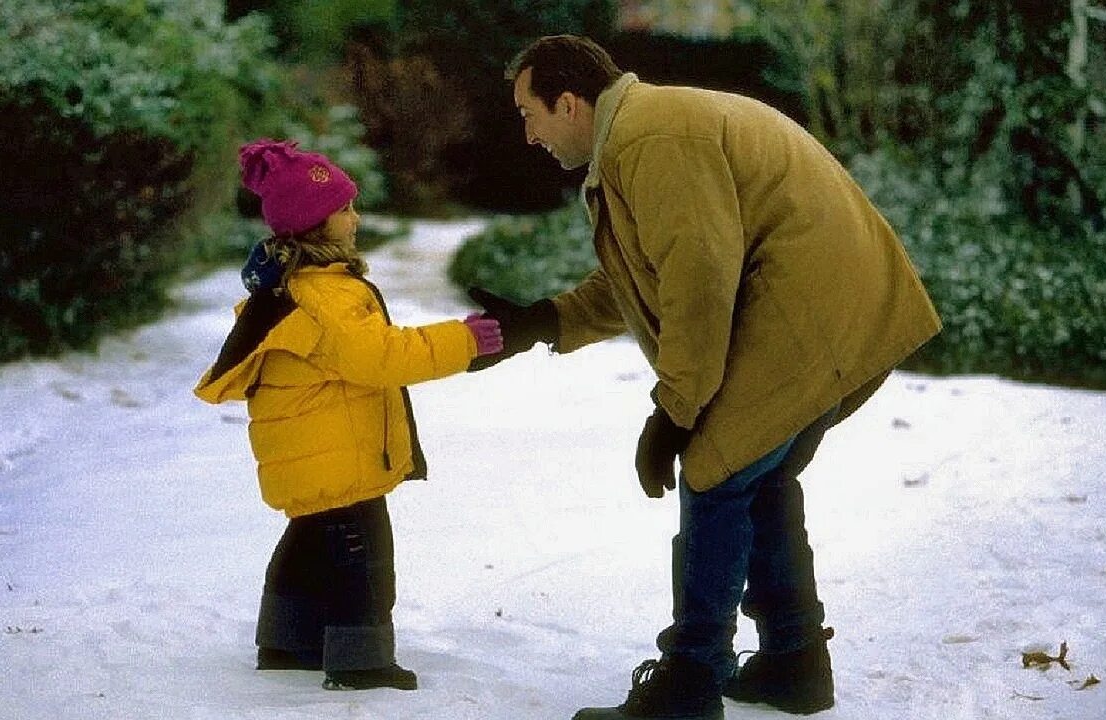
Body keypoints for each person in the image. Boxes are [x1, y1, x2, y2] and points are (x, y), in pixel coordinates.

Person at [468, 35, 942, 720]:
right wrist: (543, 320)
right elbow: (646, 273)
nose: (526, 132)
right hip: (824, 298)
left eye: (527, 113)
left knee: (717, 470)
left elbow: (698, 279)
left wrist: (676, 413)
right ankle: (793, 660)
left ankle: (689, 681)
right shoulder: (639, 135)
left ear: (568, 103)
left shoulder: (651, 139)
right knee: (755, 472)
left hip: (806, 303)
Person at [194, 139, 502, 692]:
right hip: (339, 461)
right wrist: (465, 340)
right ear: (314, 223)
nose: (355, 218)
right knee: (364, 560)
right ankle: (361, 661)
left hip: (316, 457)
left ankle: (287, 641)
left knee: (310, 545)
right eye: (344, 208)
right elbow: (380, 357)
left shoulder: (294, 288)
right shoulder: (326, 297)